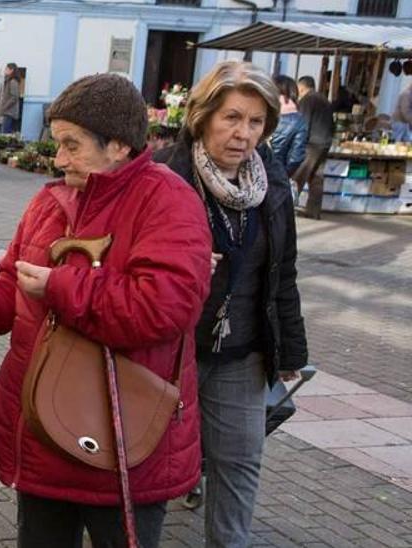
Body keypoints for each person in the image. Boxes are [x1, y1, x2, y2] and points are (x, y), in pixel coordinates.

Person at [0, 73, 211, 548]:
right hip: (44, 435)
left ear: (118, 145)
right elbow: (8, 294)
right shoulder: (49, 201)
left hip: (124, 440)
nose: (58, 159)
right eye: (57, 144)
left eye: (71, 145)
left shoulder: (167, 200)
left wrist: (62, 285)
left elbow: (164, 306)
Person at [153, 61, 308, 548]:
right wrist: (181, 262)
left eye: (256, 122)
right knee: (155, 460)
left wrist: (292, 354)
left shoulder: (273, 185)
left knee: (241, 459)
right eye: (232, 118)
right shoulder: (165, 176)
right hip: (171, 350)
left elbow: (282, 272)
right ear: (203, 117)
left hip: (243, 349)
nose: (243, 134)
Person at [295, 76, 334, 219]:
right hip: (325, 143)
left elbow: (304, 123)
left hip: (312, 143)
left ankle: (286, 206)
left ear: (302, 87)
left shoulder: (307, 100)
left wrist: (298, 143)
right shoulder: (325, 100)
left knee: (299, 175)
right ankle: (313, 210)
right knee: (316, 177)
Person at [269, 75, 307, 175]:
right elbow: (295, 158)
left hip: (251, 172)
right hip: (276, 174)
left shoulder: (262, 110)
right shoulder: (299, 121)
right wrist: (282, 176)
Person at [0, 62, 22, 134]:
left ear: (11, 70)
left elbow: (14, 97)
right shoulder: (8, 81)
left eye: (6, 69)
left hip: (9, 112)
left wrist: (4, 107)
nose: (5, 70)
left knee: (5, 133)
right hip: (6, 112)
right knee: (4, 132)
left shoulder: (13, 81)